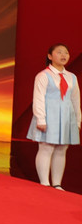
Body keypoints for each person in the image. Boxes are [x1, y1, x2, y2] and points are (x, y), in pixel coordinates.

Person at [26, 43, 81, 189]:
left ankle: (57, 184)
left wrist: (77, 120)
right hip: (49, 116)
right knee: (46, 148)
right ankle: (44, 183)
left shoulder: (72, 77)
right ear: (50, 56)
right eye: (59, 52)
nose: (64, 55)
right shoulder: (43, 76)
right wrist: (41, 119)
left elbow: (75, 100)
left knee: (61, 149)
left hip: (67, 117)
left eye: (66, 53)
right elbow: (38, 98)